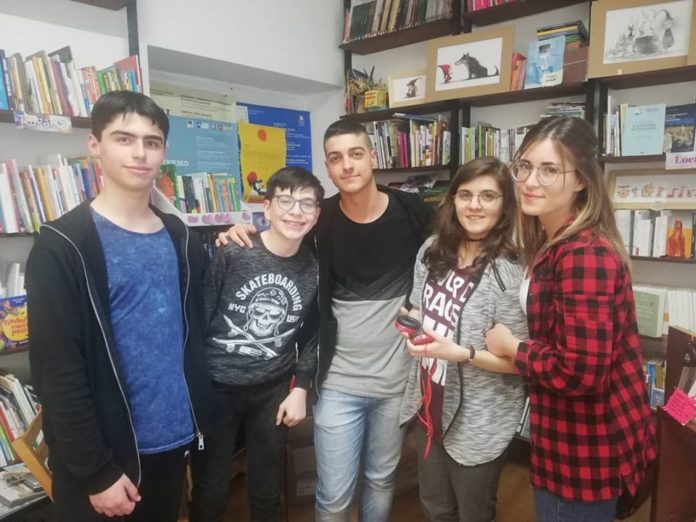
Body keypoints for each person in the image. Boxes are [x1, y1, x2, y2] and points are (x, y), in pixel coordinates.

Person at [220, 119, 434, 521]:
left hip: (396, 383)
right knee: (334, 496)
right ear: (328, 167)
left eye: (356, 154)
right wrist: (240, 232)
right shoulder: (320, 220)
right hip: (337, 383)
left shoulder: (414, 212)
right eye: (336, 158)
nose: (347, 165)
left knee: (381, 479)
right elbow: (279, 243)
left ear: (373, 157)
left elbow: (448, 254)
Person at [25, 91, 214, 522]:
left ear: (163, 151)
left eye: (152, 142)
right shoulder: (63, 247)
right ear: (95, 145)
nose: (139, 153)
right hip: (105, 460)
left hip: (173, 442)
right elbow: (58, 373)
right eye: (124, 138)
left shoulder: (181, 238)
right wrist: (96, 472)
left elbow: (194, 329)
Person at [485, 116, 656, 522]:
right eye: (524, 166)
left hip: (584, 450)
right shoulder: (554, 239)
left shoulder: (583, 254)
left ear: (580, 179)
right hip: (564, 435)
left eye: (549, 170)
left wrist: (514, 348)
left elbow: (580, 371)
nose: (530, 182)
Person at [189, 167, 323, 521]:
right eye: (286, 201)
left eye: (306, 204)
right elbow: (200, 317)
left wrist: (301, 387)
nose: (296, 211)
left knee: (268, 489)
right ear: (267, 207)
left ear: (316, 215)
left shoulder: (314, 268)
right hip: (217, 389)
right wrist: (193, 386)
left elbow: (312, 333)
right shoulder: (235, 252)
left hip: (271, 391)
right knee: (210, 489)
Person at [399, 157, 528, 522]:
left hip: (480, 419)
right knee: (435, 507)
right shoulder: (431, 250)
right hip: (429, 404)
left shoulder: (510, 271)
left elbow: (519, 362)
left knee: (474, 513)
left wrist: (462, 353)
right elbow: (419, 307)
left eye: (488, 196)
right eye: (466, 194)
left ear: (505, 205)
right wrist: (412, 325)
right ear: (452, 199)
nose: (475, 205)